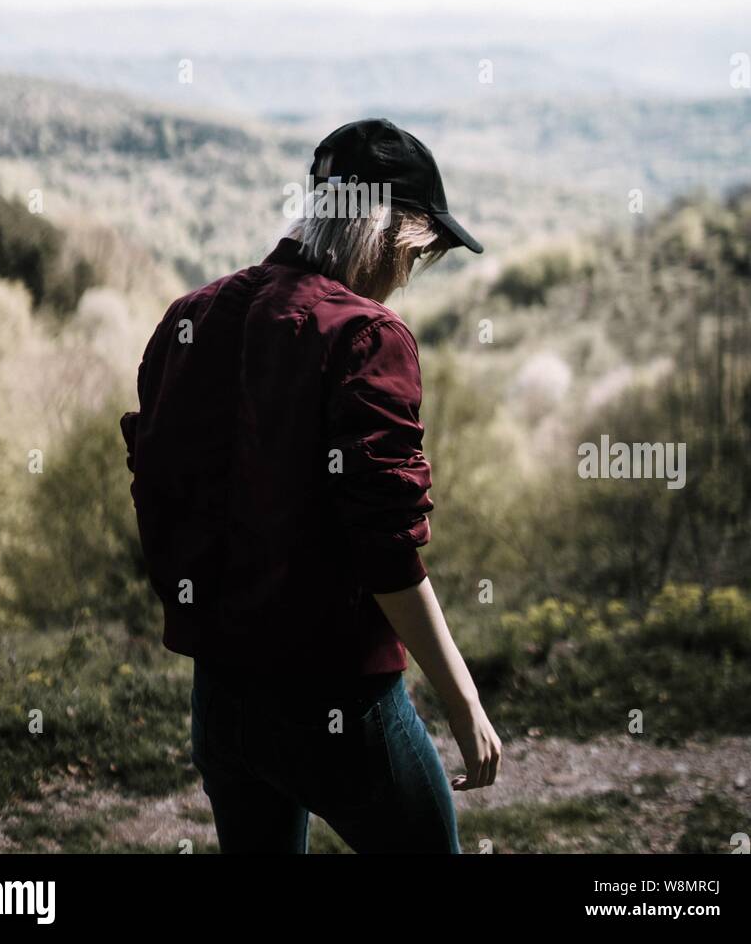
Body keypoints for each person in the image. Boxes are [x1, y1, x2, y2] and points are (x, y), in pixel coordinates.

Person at [120, 117, 501, 854]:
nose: (407, 277)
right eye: (418, 256)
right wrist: (464, 700)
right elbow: (386, 550)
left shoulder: (190, 318)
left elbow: (158, 489)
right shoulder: (367, 337)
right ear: (393, 232)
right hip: (340, 708)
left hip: (220, 701)